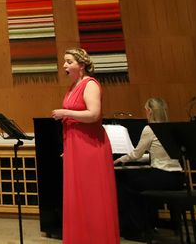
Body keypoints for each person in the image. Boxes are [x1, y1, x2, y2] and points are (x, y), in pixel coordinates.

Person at [51, 47, 119, 244]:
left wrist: (65, 113)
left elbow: (94, 114)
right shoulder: (73, 86)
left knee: (92, 196)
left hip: (90, 146)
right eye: (64, 61)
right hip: (75, 144)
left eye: (69, 61)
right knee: (78, 197)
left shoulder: (90, 84)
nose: (64, 65)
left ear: (81, 65)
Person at [114, 97, 183, 241]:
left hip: (162, 175)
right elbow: (155, 153)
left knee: (126, 185)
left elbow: (136, 154)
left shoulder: (150, 128)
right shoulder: (172, 128)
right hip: (177, 177)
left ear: (150, 111)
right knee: (140, 183)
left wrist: (121, 159)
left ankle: (135, 229)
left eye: (146, 110)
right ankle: (151, 224)